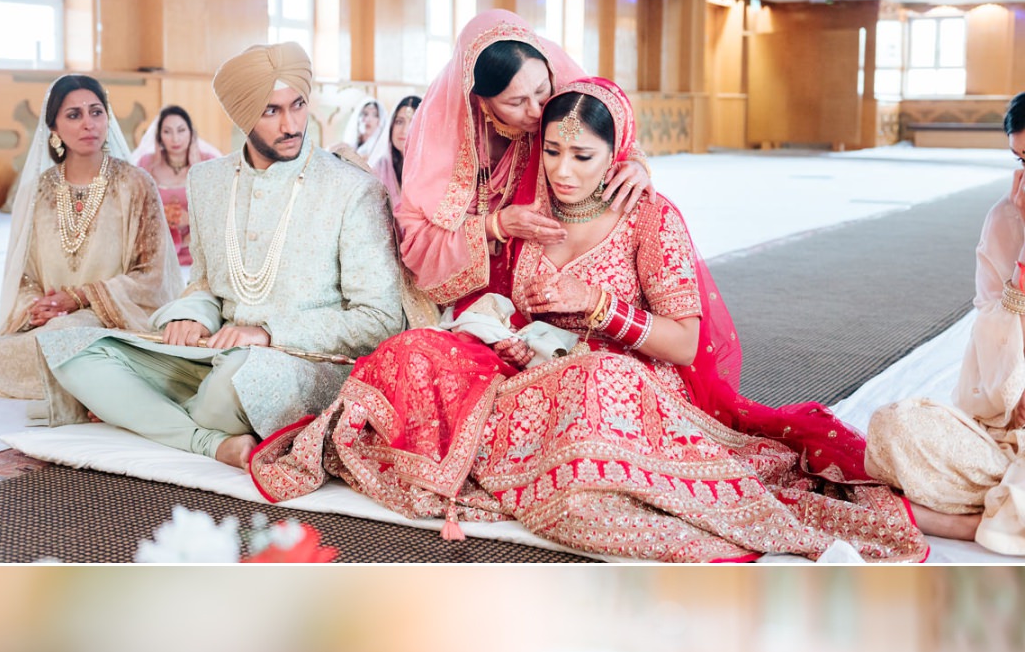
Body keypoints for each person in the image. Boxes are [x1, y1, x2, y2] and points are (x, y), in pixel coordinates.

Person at [251, 80, 927, 562]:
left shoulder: (648, 218)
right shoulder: (530, 204)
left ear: (618, 154)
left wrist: (605, 313)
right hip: (523, 368)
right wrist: (501, 323)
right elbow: (443, 248)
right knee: (412, 348)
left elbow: (686, 340)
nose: (562, 171)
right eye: (552, 151)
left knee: (595, 381)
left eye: (583, 156)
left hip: (621, 382)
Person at [38, 43, 405, 471]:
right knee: (70, 352)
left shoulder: (350, 188)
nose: (290, 125)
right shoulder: (209, 181)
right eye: (271, 111)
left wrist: (268, 332)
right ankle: (209, 443)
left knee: (226, 389)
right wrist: (194, 314)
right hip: (212, 350)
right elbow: (207, 282)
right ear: (241, 115)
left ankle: (161, 417)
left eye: (298, 105)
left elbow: (380, 319)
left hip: (299, 363)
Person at [0, 75, 181, 415]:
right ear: (53, 126)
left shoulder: (135, 184)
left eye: (96, 112)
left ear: (107, 118)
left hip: (116, 321)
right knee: (11, 351)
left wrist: (81, 298)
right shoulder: (39, 191)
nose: (88, 123)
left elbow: (152, 275)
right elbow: (23, 275)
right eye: (74, 115)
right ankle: (94, 387)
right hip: (53, 324)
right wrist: (39, 307)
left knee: (71, 338)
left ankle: (98, 383)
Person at [396, 10, 652, 309]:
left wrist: (633, 162)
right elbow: (418, 245)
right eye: (515, 102)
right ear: (481, 101)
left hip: (556, 276)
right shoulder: (442, 134)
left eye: (542, 92)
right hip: (474, 292)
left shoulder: (559, 92)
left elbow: (604, 131)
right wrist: (496, 225)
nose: (536, 111)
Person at [864, 92, 1025, 554]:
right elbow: (991, 350)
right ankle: (1002, 509)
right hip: (1003, 434)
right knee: (895, 426)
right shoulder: (1006, 220)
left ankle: (966, 522)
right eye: (1021, 159)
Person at [133, 105, 220, 268]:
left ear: (191, 133)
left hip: (200, 252)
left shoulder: (210, 162)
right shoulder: (146, 164)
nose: (175, 139)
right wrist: (160, 216)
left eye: (181, 130)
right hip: (157, 251)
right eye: (167, 132)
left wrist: (191, 219)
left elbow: (221, 210)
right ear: (159, 136)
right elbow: (135, 208)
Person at [369, 95, 421, 211]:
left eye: (413, 123)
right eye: (399, 122)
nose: (405, 130)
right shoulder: (380, 168)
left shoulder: (431, 171)